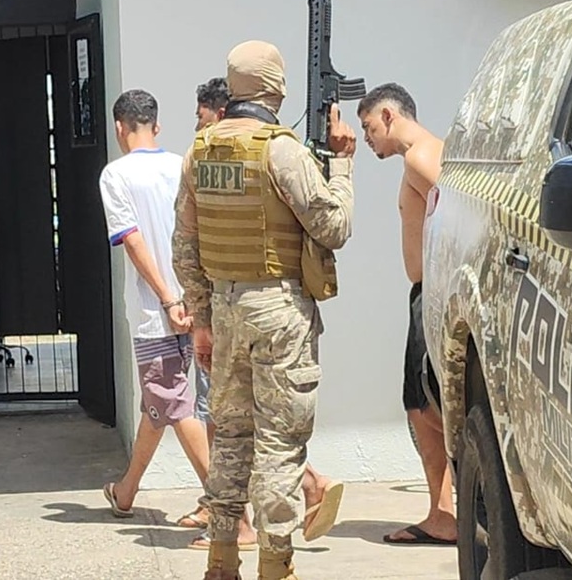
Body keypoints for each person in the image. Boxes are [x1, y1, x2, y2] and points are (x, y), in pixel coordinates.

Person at [174, 42, 356, 580]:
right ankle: (276, 566)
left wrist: (202, 321)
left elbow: (184, 247)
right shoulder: (282, 151)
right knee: (279, 442)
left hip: (225, 309)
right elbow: (333, 227)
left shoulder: (199, 151)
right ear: (276, 88)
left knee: (230, 438)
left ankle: (221, 560)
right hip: (279, 311)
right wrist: (343, 165)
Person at [97, 89, 217, 549]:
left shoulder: (116, 175)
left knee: (173, 402)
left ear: (119, 127)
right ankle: (126, 490)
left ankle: (224, 504)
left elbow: (132, 240)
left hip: (157, 309)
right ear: (157, 125)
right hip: (197, 302)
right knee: (161, 401)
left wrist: (167, 298)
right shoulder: (183, 164)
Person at [355, 82, 456, 546]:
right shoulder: (425, 153)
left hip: (434, 293)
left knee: (426, 406)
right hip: (428, 291)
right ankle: (443, 512)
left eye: (368, 126)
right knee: (422, 405)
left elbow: (459, 214)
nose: (367, 137)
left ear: (389, 116)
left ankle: (454, 508)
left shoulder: (420, 157)